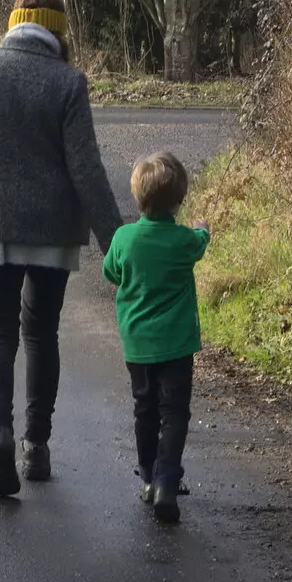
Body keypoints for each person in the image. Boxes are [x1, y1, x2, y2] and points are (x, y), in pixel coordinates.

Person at [0, 0, 123, 497]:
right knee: (41, 333)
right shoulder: (68, 82)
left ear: (13, 24)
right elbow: (86, 169)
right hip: (51, 233)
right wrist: (117, 244)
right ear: (57, 33)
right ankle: (35, 446)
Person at [102, 152, 210, 524]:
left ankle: (147, 475)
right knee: (174, 412)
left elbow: (110, 271)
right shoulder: (183, 241)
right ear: (178, 200)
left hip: (138, 344)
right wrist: (204, 226)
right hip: (177, 344)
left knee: (144, 409)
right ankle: (167, 478)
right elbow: (200, 241)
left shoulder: (124, 238)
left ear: (137, 197)